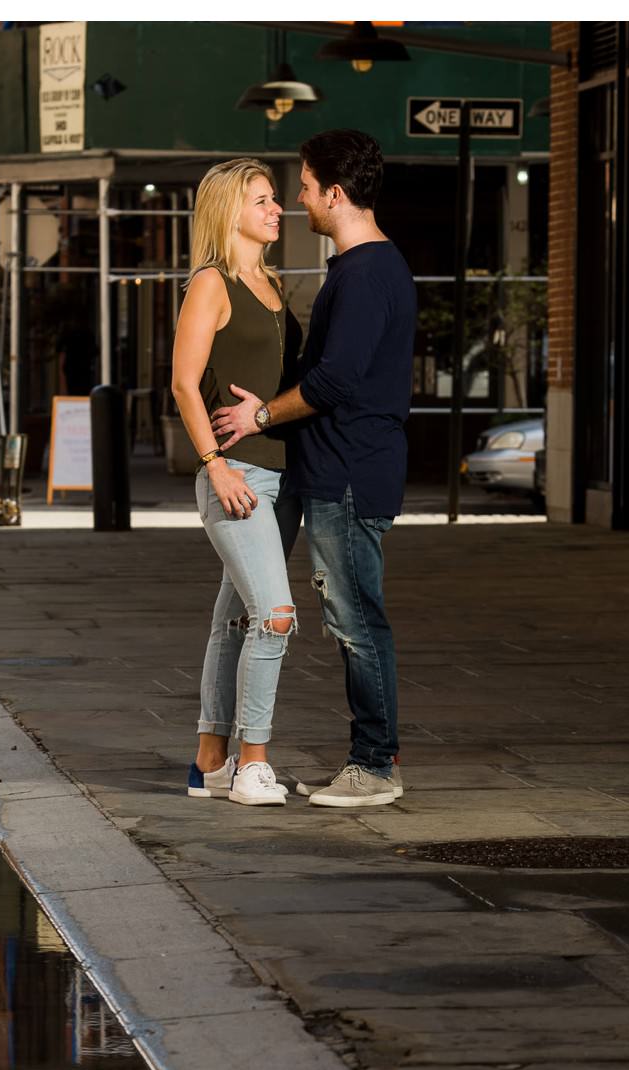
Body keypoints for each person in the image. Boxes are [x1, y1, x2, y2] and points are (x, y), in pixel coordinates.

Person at [213, 129, 417, 808]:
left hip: (350, 474)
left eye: (302, 186)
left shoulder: (364, 273)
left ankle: (374, 765)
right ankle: (359, 760)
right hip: (341, 471)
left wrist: (260, 417)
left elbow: (333, 380)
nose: (297, 199)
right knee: (347, 618)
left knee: (356, 622)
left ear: (334, 193)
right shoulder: (363, 269)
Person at [171, 158, 303, 807]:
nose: (275, 209)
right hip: (236, 477)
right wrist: (213, 464)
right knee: (275, 618)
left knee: (233, 625)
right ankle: (254, 762)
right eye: (260, 200)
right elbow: (183, 382)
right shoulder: (211, 283)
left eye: (275, 199)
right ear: (229, 212)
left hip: (278, 478)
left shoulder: (273, 284)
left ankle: (209, 762)